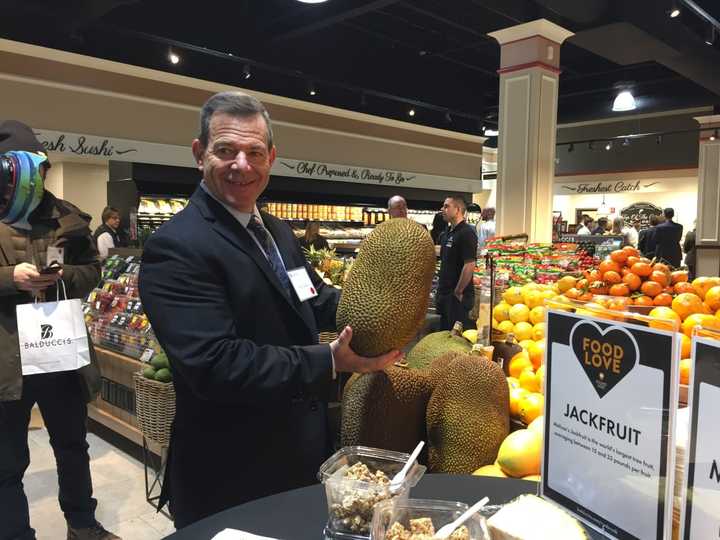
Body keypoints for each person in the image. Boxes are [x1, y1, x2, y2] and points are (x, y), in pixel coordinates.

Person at [138, 92, 400, 528]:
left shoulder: (277, 232)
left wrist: (387, 315)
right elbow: (214, 363)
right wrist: (327, 360)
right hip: (230, 473)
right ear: (199, 153)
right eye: (226, 151)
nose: (242, 164)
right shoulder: (176, 246)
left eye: (254, 152)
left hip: (298, 459)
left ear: (271, 158)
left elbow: (312, 299)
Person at [0, 121, 119, 540]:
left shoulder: (65, 217)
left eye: (42, 169)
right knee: (7, 463)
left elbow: (92, 272)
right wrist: (10, 278)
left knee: (72, 445)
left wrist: (61, 276)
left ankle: (83, 525)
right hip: (7, 358)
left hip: (59, 351)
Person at [436, 196, 478, 331]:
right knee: (444, 334)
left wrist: (459, 290)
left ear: (458, 209)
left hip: (457, 296)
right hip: (444, 294)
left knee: (457, 337)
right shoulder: (447, 233)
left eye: (446, 206)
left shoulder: (467, 233)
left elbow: (469, 264)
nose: (442, 209)